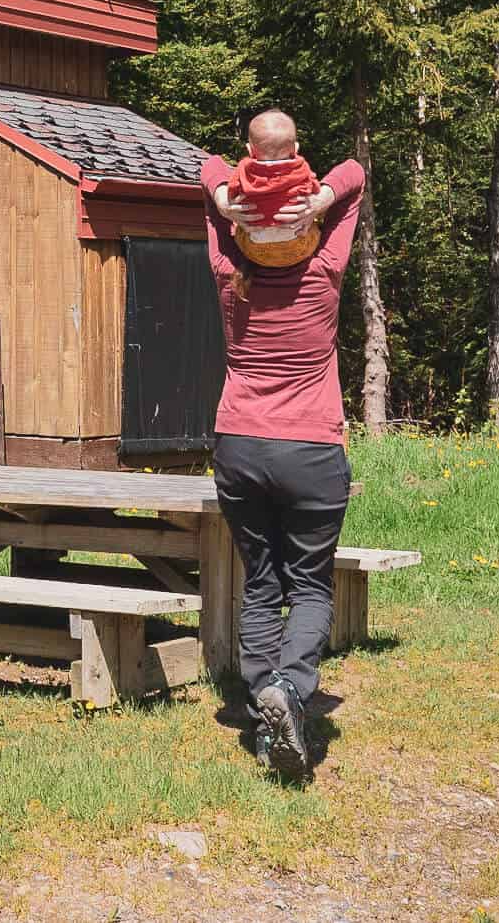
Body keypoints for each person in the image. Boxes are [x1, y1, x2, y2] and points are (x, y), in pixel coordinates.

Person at [201, 107, 364, 781]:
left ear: (249, 153)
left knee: (262, 585)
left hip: (239, 443)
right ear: (297, 153)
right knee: (310, 587)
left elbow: (207, 173)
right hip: (311, 449)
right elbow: (354, 176)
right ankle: (291, 689)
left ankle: (267, 715)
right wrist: (317, 198)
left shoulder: (225, 266)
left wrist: (229, 197)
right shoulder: (325, 266)